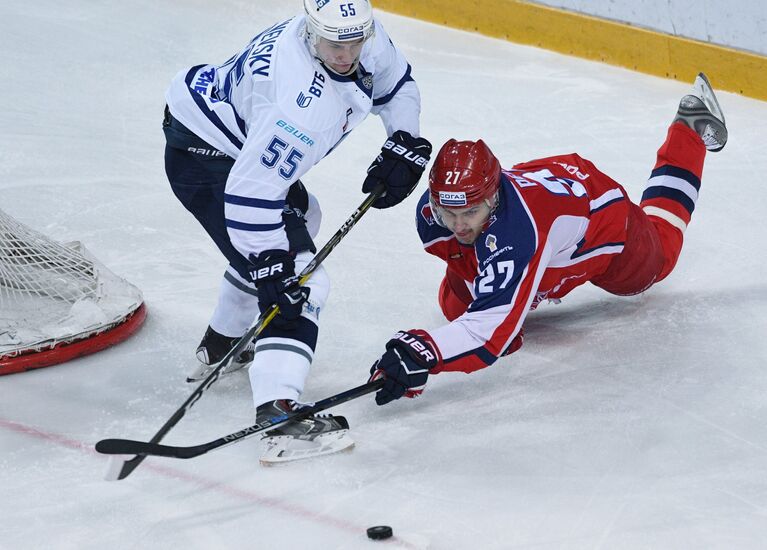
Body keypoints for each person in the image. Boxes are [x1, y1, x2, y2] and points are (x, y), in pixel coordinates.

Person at [162, 0, 432, 461]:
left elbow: (396, 83)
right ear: (310, 32)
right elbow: (250, 194)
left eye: (354, 41)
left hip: (218, 132)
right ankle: (277, 414)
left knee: (304, 219)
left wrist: (403, 140)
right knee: (300, 281)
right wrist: (271, 267)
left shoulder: (351, 31)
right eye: (334, 43)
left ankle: (222, 343)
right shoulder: (296, 107)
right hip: (207, 159)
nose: (346, 54)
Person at [368, 73, 728, 406]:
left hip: (599, 217)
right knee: (458, 307)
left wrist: (424, 352)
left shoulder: (518, 232)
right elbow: (467, 269)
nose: (459, 224)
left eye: (471, 213)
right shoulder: (436, 215)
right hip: (547, 190)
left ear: (493, 201)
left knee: (659, 257)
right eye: (450, 214)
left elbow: (488, 334)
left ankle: (689, 130)